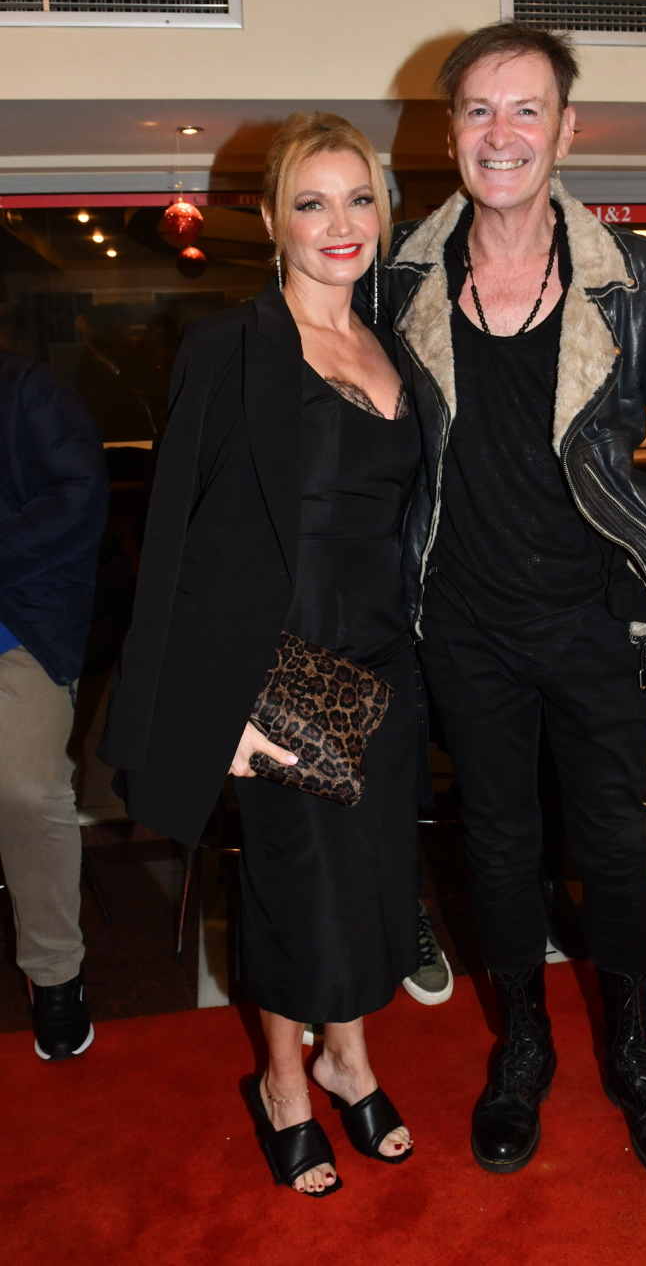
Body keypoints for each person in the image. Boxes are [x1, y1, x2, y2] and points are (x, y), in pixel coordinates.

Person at [383, 23, 646, 1183]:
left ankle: (635, 1053)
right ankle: (523, 1047)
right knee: (495, 850)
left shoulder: (636, 281)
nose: (503, 133)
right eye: (479, 110)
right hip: (463, 629)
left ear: (567, 130)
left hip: (591, 623)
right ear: (451, 132)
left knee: (614, 851)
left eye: (526, 108)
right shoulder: (399, 279)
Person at [100, 113, 429, 1198]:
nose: (341, 223)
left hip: (386, 658)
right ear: (274, 220)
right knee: (299, 890)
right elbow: (177, 538)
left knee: (369, 880)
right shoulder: (230, 348)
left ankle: (348, 1059)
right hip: (283, 663)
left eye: (360, 198)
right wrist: (212, 702)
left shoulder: (396, 347)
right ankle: (289, 1082)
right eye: (312, 202)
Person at [0, 346, 109, 1060]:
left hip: (20, 629)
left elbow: (79, 498)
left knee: (25, 789)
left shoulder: (27, 389)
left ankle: (55, 975)